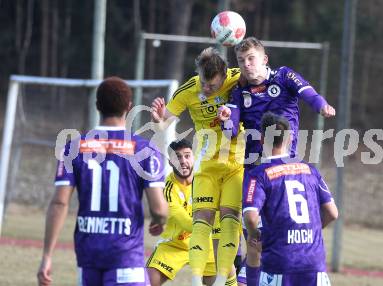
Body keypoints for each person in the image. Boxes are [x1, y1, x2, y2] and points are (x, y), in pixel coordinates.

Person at [217, 37, 336, 284]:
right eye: (241, 61)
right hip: (255, 169)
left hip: (286, 166)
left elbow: (308, 92)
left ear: (264, 59)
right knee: (254, 239)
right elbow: (231, 132)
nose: (246, 65)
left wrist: (322, 105)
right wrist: (226, 118)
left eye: (251, 59)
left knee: (283, 231)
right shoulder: (239, 92)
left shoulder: (283, 76)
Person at [37, 77, 168, 286]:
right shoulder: (144, 149)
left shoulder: (73, 147)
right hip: (126, 257)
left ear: (97, 106)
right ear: (129, 107)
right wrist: (159, 221)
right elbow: (159, 209)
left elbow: (59, 203)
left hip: (88, 255)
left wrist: (47, 256)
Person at [150, 47, 244, 286]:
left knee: (230, 220)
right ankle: (198, 280)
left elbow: (260, 78)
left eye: (212, 86)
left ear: (224, 76)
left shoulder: (236, 77)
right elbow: (163, 124)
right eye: (203, 82)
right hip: (207, 162)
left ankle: (229, 275)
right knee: (203, 219)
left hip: (237, 162)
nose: (206, 89)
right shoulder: (189, 89)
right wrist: (158, 119)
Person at [242, 112, 338, 286]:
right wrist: (311, 232)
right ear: (289, 139)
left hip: (280, 264)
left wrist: (255, 235)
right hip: (314, 265)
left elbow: (250, 217)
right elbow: (332, 213)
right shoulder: (311, 170)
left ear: (262, 139)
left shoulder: (258, 175)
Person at [147, 139, 217, 286]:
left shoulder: (205, 181)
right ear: (170, 162)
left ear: (193, 158)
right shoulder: (167, 187)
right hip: (174, 245)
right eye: (177, 157)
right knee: (147, 282)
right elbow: (184, 221)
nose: (183, 161)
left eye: (187, 156)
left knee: (224, 280)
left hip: (204, 244)